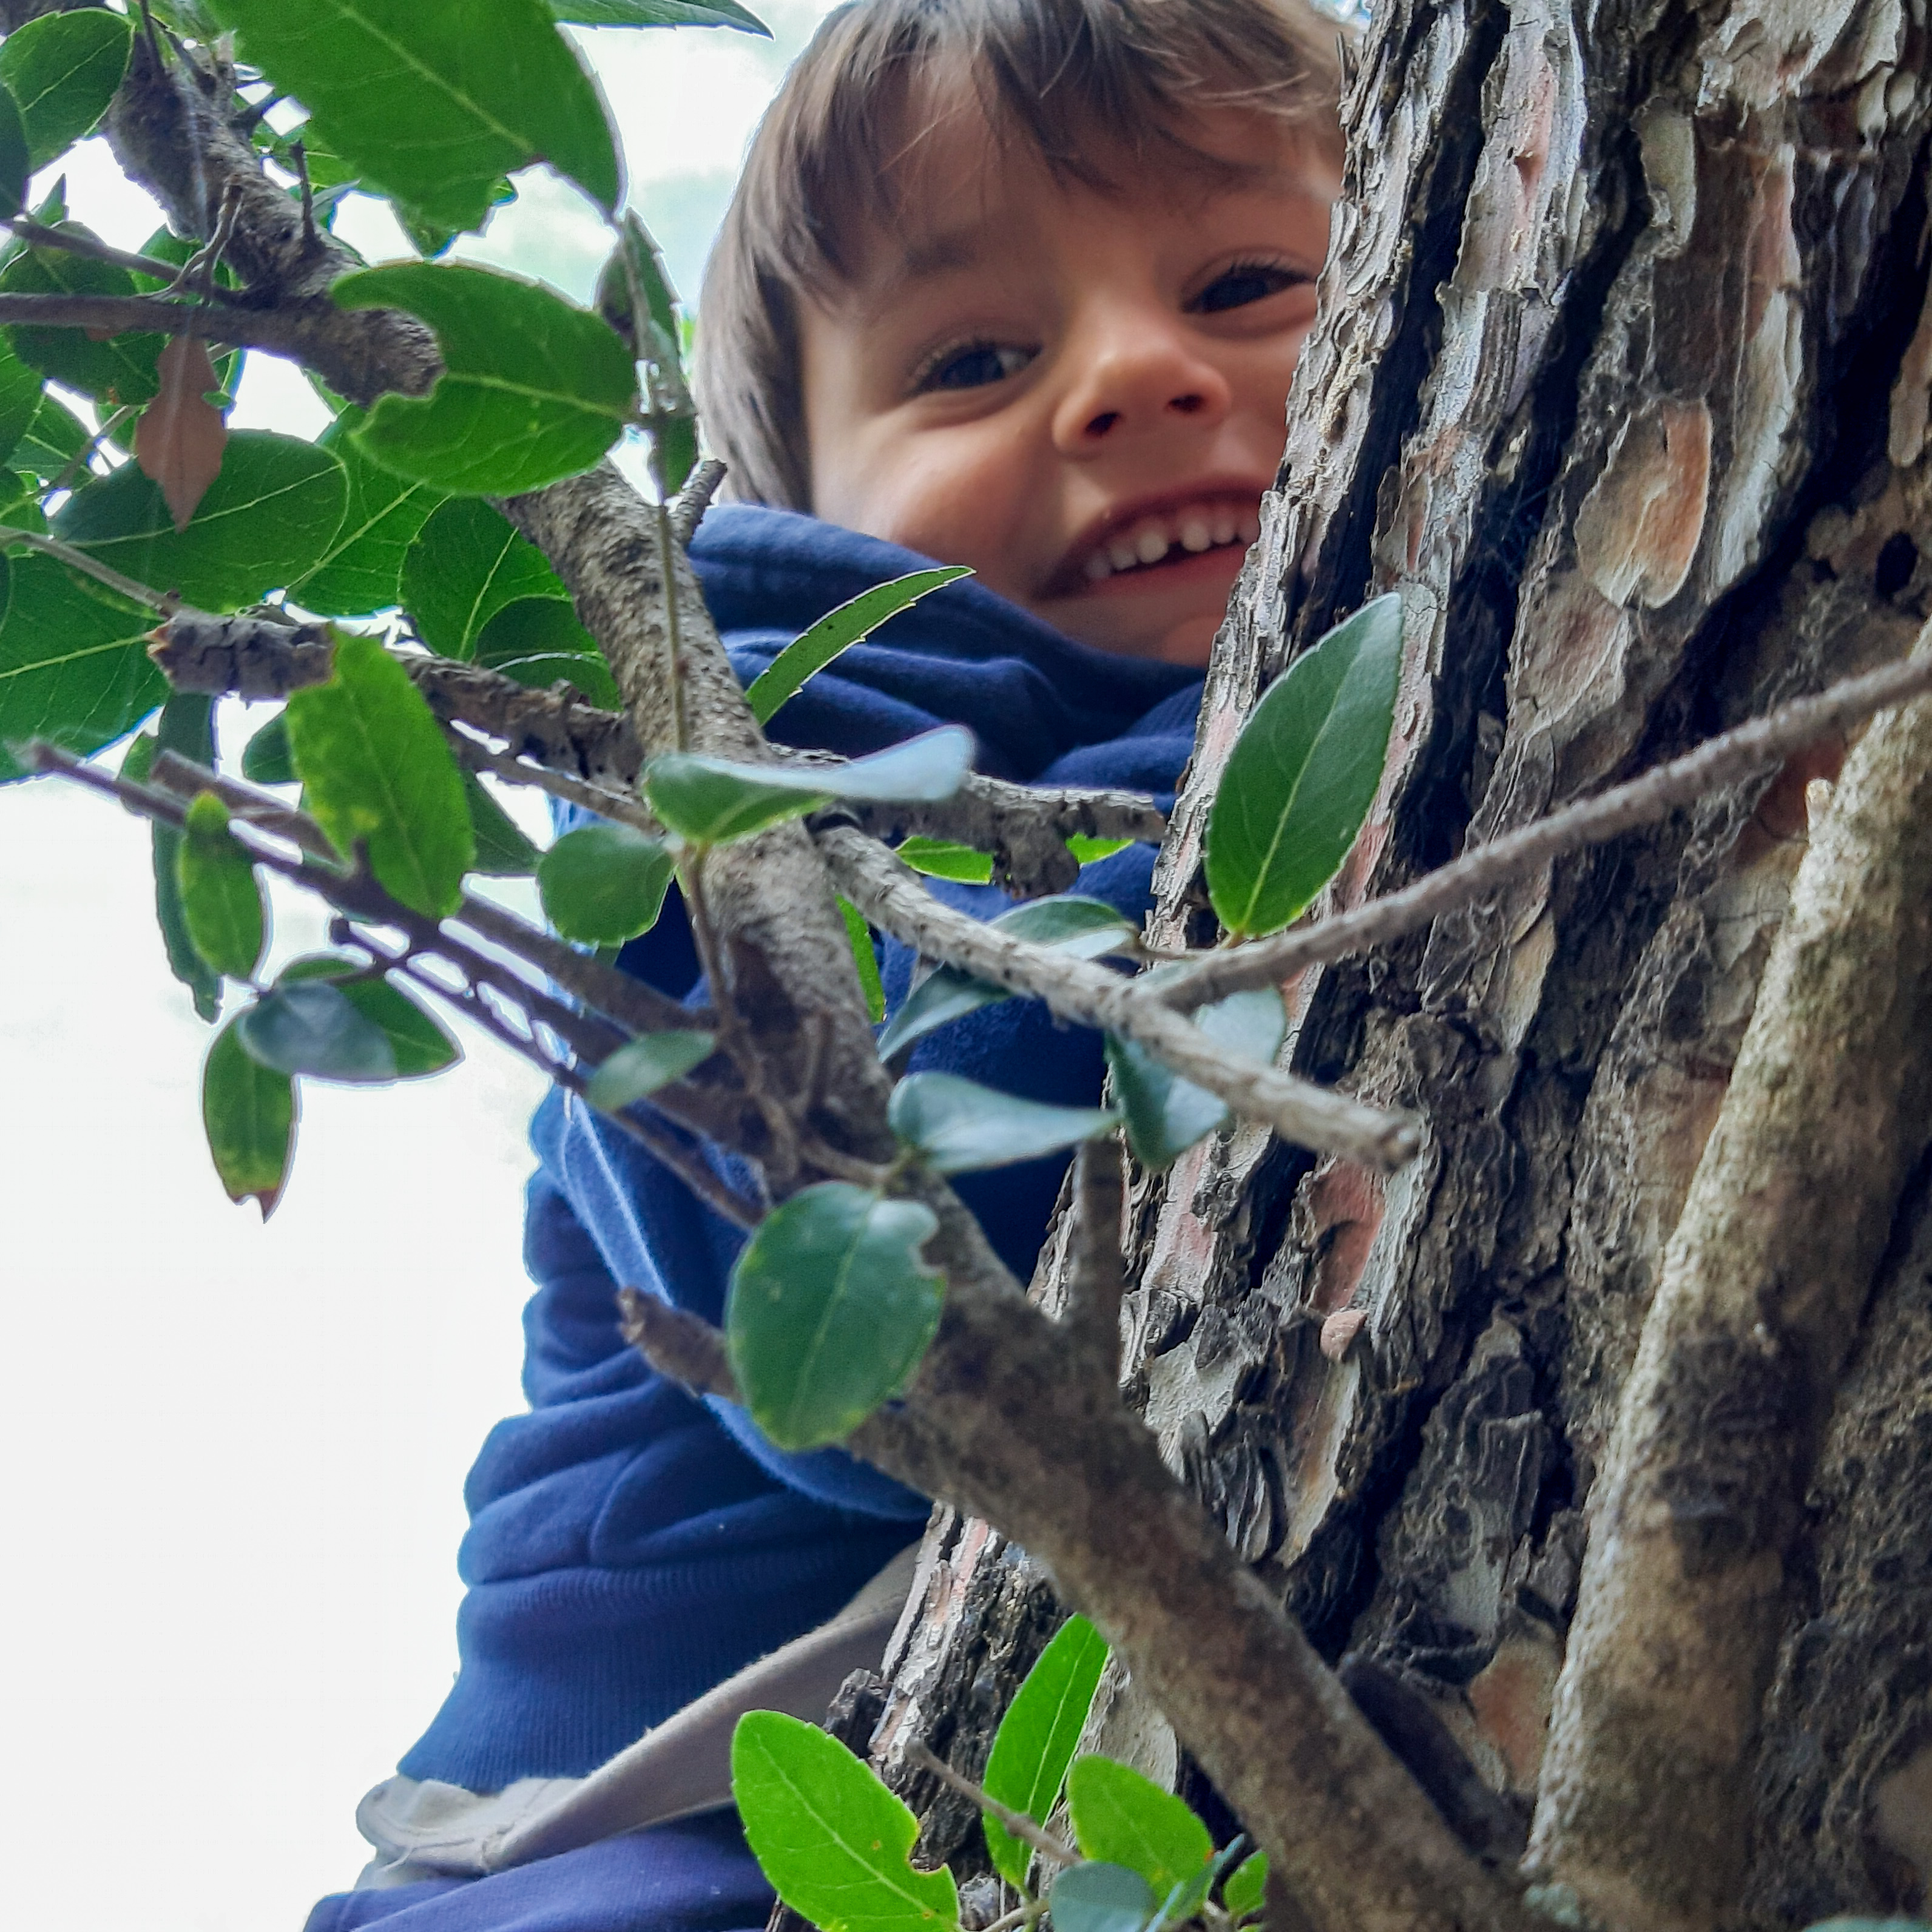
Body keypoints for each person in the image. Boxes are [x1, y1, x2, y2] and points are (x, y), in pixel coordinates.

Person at [303, 3, 1344, 1927]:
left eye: (1246, 280)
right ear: (803, 515)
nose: (1130, 374)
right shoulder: (755, 783)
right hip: (618, 1840)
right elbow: (893, 1360)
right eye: (970, 361)